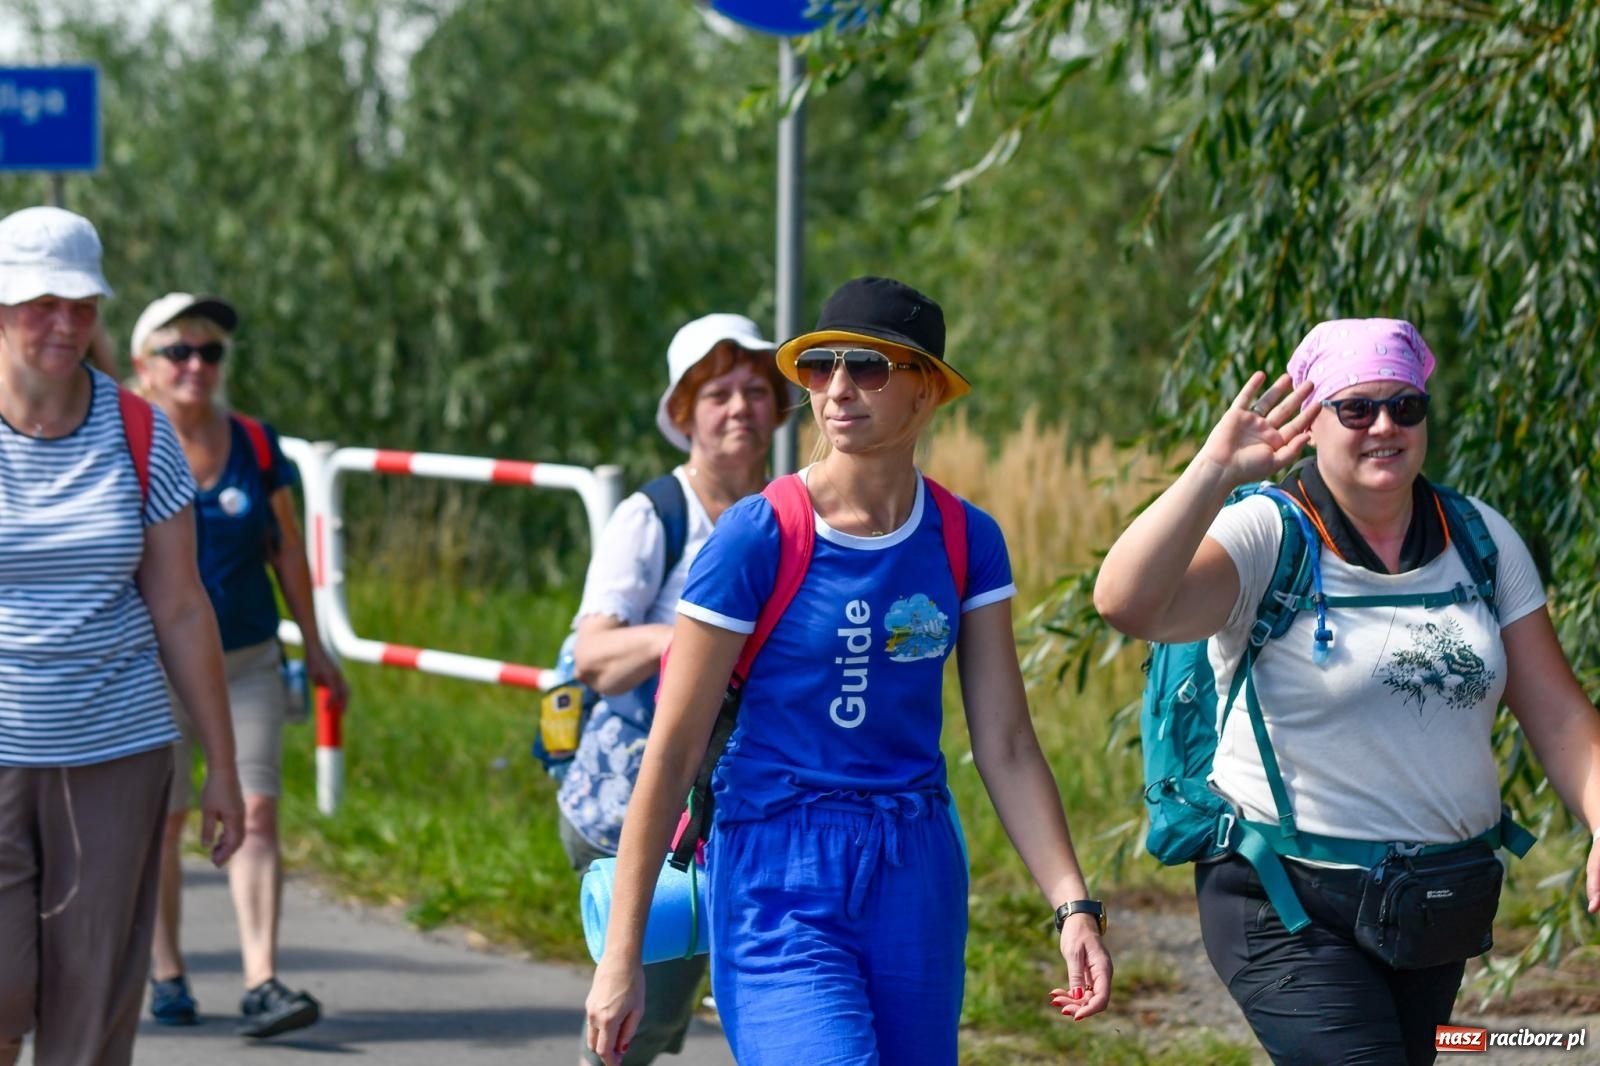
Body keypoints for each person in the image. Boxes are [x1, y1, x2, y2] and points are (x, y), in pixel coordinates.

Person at [585, 277, 1112, 1066]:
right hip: (776, 869)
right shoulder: (757, 535)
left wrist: (1073, 905)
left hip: (915, 869)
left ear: (926, 390)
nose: (836, 388)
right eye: (819, 366)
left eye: (868, 367)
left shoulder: (967, 539)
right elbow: (673, 748)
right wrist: (620, 957)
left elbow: (1005, 744)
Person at [1092, 318, 1600, 1065]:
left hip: (1433, 901)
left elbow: (1558, 716)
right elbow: (1126, 604)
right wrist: (1212, 471)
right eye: (1356, 408)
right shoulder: (1268, 534)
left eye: (1405, 406)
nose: (1384, 426)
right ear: (1313, 420)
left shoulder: (1480, 539)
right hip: (1286, 901)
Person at [0, 208, 245, 1066]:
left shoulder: (140, 432)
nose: (65, 324)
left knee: (91, 1001)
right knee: (2, 989)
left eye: (81, 305)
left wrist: (223, 765)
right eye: (42, 304)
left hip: (118, 750)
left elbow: (181, 607)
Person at [558, 312, 787, 1065]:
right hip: (633, 799)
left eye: (756, 391)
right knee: (642, 1015)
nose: (740, 408)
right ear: (684, 412)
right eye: (718, 393)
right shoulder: (655, 515)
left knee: (697, 999)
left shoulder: (790, 515)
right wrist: (693, 645)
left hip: (733, 803)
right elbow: (593, 655)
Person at [130, 293, 348, 1038]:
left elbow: (285, 548)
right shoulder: (126, 441)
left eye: (211, 352)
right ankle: (166, 973)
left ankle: (261, 979)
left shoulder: (254, 441)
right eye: (179, 352)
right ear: (144, 366)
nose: (197, 365)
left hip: (247, 660)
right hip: (151, 663)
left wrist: (316, 646)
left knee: (256, 809)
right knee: (162, 819)